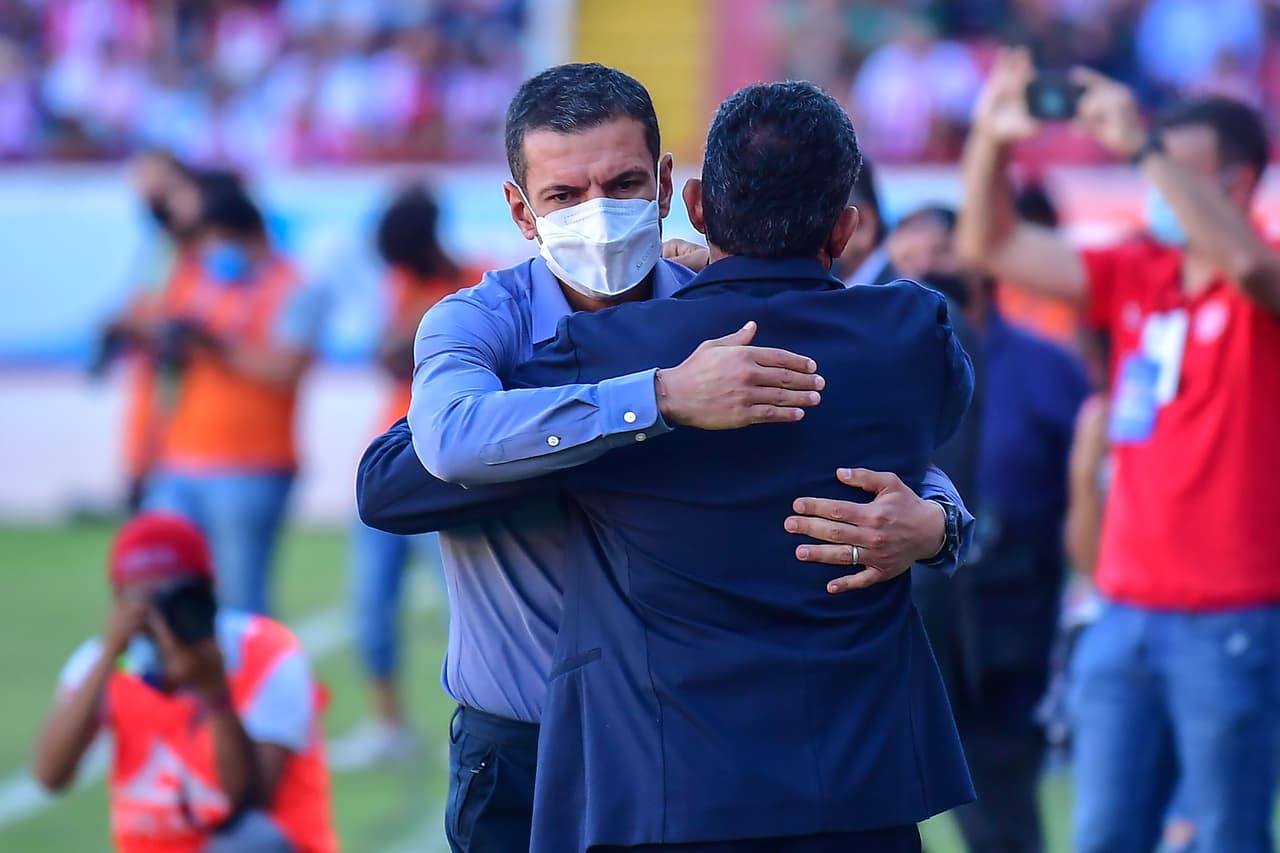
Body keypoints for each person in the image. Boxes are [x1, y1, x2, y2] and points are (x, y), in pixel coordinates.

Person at [358, 63, 972, 852]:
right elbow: (399, 476)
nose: (598, 214)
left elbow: (865, 439)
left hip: (673, 745)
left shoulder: (721, 311)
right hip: (524, 740)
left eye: (622, 184)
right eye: (564, 195)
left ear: (667, 187)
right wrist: (657, 402)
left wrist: (936, 522)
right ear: (520, 208)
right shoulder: (484, 325)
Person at [957, 46, 1280, 853]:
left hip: (1231, 618)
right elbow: (991, 246)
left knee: (1225, 836)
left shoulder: (1260, 280)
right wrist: (991, 140)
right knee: (1103, 835)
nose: (1153, 181)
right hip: (1123, 610)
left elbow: (1246, 261)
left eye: (1175, 166)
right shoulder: (1140, 271)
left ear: (1238, 183)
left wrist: (1140, 143)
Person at [32, 513, 337, 853]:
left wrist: (214, 693)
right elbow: (50, 775)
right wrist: (109, 656)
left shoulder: (266, 653)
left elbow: (250, 807)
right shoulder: (106, 663)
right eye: (143, 599)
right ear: (119, 601)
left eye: (174, 597)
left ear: (207, 593)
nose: (162, 615)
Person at [934, 270, 1090, 853]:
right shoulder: (889, 355)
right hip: (916, 611)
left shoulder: (1045, 365)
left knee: (1001, 806)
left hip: (1011, 622)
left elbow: (1099, 481)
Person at [329, 185, 471, 771]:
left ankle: (472, 718)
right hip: (393, 462)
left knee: (464, 606)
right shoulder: (401, 285)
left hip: (449, 468)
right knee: (370, 602)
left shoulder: (475, 283)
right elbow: (386, 356)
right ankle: (387, 724)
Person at [143, 183, 325, 615]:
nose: (214, 253)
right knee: (156, 591)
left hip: (253, 463)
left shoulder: (295, 288)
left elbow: (285, 369)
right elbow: (164, 342)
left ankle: (244, 665)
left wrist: (215, 346)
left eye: (221, 241)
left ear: (252, 235)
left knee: (241, 602)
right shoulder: (197, 278)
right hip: (179, 459)